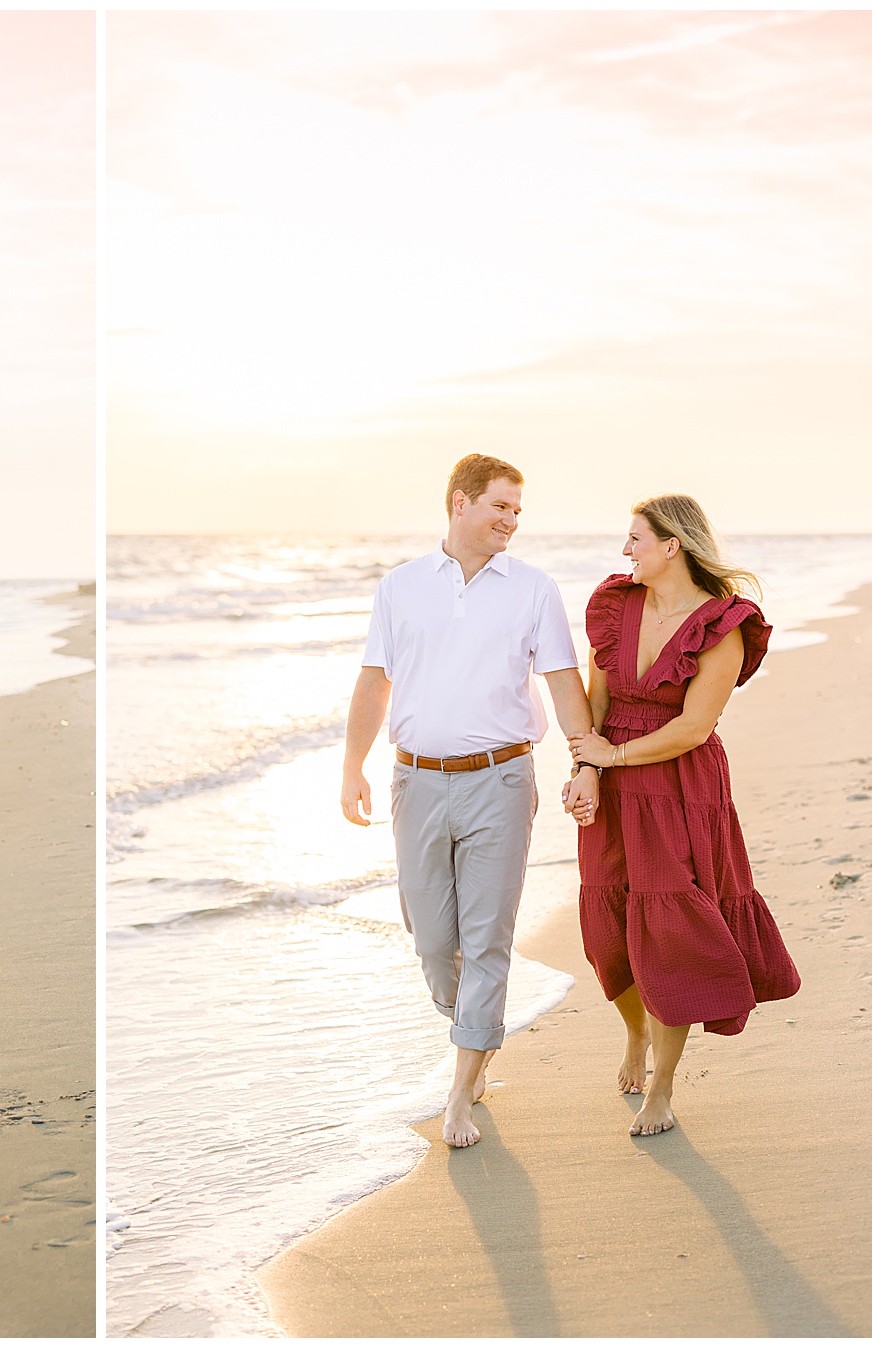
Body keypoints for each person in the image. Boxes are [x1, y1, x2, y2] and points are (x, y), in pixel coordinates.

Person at [341, 454, 600, 1148]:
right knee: (432, 942)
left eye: (518, 510)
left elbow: (563, 683)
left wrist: (586, 763)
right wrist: (351, 766)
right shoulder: (400, 587)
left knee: (487, 939)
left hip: (502, 780)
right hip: (415, 780)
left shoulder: (533, 589)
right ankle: (475, 1034)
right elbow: (374, 681)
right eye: (500, 506)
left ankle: (460, 1092)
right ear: (461, 502)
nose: (511, 521)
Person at [568, 494, 800, 1137]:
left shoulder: (724, 625)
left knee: (668, 934)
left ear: (672, 545)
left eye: (635, 538)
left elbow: (694, 728)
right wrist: (587, 768)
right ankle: (636, 1033)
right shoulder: (616, 605)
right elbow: (596, 699)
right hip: (612, 780)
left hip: (677, 785)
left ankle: (663, 1088)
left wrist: (613, 756)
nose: (625, 550)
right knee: (609, 931)